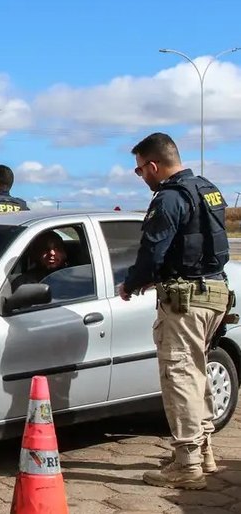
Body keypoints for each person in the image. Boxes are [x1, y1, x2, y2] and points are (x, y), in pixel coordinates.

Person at [117, 132, 230, 490]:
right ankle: (205, 452)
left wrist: (131, 284)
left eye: (140, 171)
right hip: (215, 292)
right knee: (196, 373)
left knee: (179, 376)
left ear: (153, 165)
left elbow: (153, 250)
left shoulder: (168, 198)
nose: (141, 178)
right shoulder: (207, 189)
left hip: (185, 302)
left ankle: (187, 464)